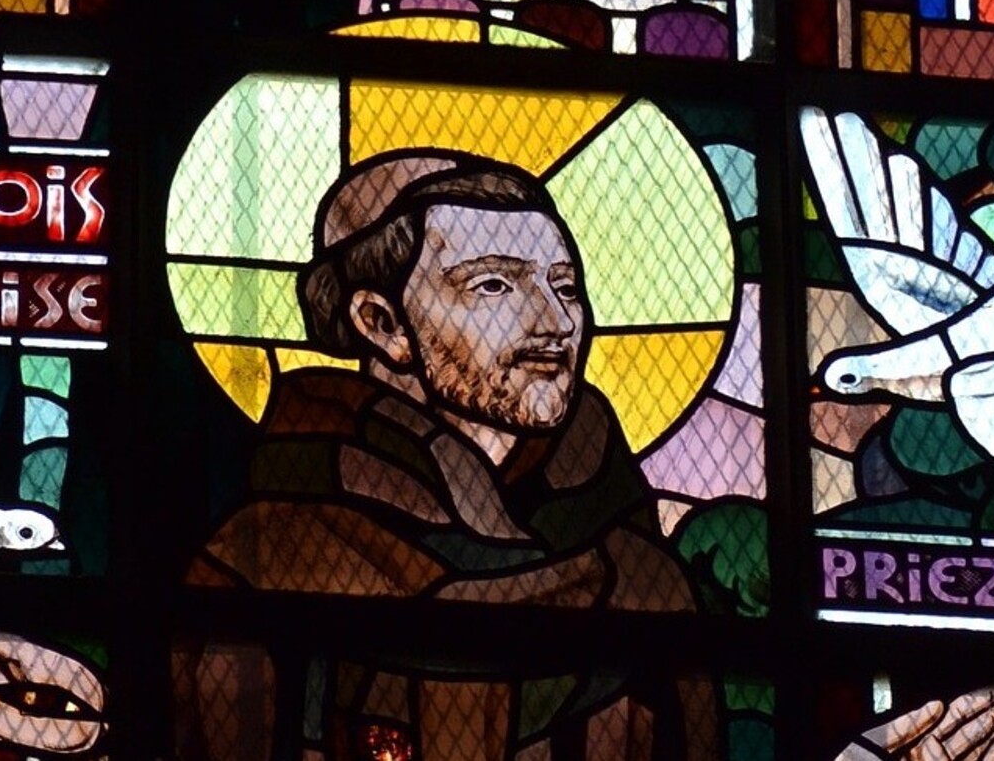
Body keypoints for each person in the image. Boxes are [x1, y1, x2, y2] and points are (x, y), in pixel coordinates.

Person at [178, 149, 716, 759]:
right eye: (493, 285)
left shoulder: (637, 572)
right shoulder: (267, 555)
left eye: (565, 287)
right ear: (383, 324)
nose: (556, 322)